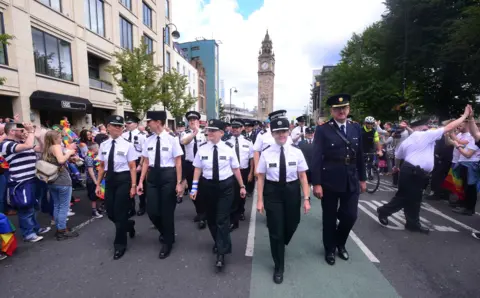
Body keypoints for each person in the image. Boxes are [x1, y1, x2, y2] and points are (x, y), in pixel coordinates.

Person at [377, 105, 472, 234]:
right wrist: (465, 116)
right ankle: (386, 212)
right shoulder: (425, 135)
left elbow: (398, 156)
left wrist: (396, 168)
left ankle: (411, 223)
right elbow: (448, 127)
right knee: (410, 198)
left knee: (410, 197)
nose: (429, 127)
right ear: (419, 128)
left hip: (409, 171)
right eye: (427, 125)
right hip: (414, 172)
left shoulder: (410, 139)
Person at [311, 94, 367, 266]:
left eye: (344, 108)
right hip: (329, 180)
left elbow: (360, 155)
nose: (341, 111)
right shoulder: (323, 130)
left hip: (351, 179)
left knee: (350, 216)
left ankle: (340, 243)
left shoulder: (356, 128)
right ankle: (330, 249)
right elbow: (316, 157)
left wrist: (363, 178)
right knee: (329, 218)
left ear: (348, 109)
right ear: (332, 111)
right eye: (337, 109)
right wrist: (317, 183)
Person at [256, 110, 311, 284]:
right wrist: (259, 200)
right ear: (272, 134)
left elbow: (303, 176)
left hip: (292, 191)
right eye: (277, 132)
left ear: (288, 132)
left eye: (284, 131)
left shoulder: (297, 151)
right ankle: (279, 265)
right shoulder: (266, 153)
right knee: (276, 231)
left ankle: (282, 241)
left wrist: (307, 199)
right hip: (273, 192)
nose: (281, 135)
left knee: (293, 223)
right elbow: (261, 177)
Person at [190, 119, 247, 271]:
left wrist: (242, 186)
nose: (210, 133)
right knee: (211, 219)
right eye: (208, 130)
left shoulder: (228, 149)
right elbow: (197, 169)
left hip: (225, 187)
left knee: (222, 219)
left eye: (213, 130)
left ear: (221, 133)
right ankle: (219, 242)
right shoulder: (202, 149)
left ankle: (221, 253)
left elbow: (236, 169)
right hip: (208, 187)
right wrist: (194, 188)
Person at [137, 111, 184, 259]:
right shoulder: (148, 140)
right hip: (153, 177)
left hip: (168, 176)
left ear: (158, 122)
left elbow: (178, 162)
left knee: (167, 212)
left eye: (149, 121)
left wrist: (178, 183)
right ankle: (165, 232)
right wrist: (140, 181)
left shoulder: (172, 140)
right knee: (152, 211)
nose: (147, 124)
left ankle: (168, 242)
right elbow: (145, 161)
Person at [95, 115, 137, 260]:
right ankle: (129, 224)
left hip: (124, 179)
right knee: (111, 213)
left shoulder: (128, 145)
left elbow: (132, 167)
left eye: (121, 126)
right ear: (108, 127)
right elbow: (101, 166)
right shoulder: (104, 145)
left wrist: (133, 185)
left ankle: (119, 245)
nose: (119, 128)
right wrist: (98, 184)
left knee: (119, 212)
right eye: (115, 125)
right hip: (110, 180)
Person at [223, 119, 254, 229]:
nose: (235, 129)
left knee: (242, 194)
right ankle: (234, 216)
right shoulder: (225, 141)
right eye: (233, 127)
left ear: (242, 129)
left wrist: (251, 173)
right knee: (233, 195)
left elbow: (251, 159)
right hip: (230, 172)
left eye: (237, 127)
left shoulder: (248, 141)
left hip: (244, 171)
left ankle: (241, 210)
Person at [181, 111, 207, 228]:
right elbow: (184, 142)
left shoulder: (205, 133)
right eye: (190, 120)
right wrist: (194, 133)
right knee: (193, 190)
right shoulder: (185, 133)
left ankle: (203, 215)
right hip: (190, 165)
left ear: (198, 121)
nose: (192, 122)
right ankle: (200, 211)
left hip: (202, 166)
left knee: (202, 190)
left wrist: (199, 132)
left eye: (194, 120)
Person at [122, 116, 147, 216]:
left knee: (140, 185)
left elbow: (144, 152)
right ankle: (130, 207)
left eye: (130, 123)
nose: (127, 125)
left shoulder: (142, 136)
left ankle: (142, 206)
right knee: (129, 185)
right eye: (127, 123)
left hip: (137, 161)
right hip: (126, 162)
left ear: (136, 124)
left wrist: (140, 165)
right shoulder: (123, 135)